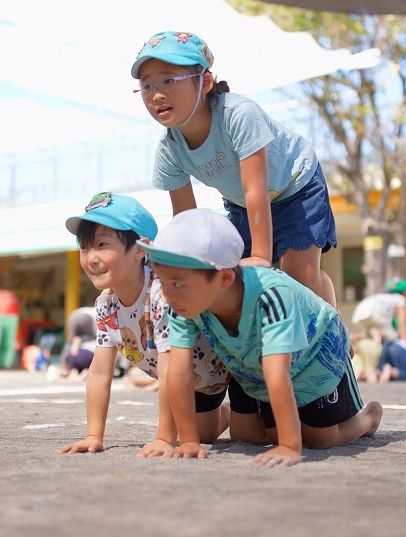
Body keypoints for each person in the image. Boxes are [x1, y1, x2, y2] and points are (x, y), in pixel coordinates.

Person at [138, 208, 382, 467]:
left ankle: (369, 417)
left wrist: (289, 447)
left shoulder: (271, 295)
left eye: (177, 283)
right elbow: (177, 372)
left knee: (320, 438)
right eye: (162, 282)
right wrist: (188, 440)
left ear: (224, 277)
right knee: (259, 436)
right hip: (257, 369)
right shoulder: (183, 304)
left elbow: (277, 371)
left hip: (318, 356)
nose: (167, 294)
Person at [132, 31, 339, 310]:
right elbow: (187, 220)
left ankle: (333, 319)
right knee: (226, 275)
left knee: (299, 276)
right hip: (243, 204)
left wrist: (262, 257)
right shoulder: (170, 149)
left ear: (204, 82)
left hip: (295, 186)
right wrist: (176, 262)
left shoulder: (239, 114)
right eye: (146, 86)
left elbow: (257, 189)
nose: (156, 95)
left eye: (169, 80)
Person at [58, 192, 230, 457]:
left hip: (220, 370)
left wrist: (164, 438)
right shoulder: (106, 305)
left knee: (246, 433)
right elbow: (100, 372)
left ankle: (245, 410)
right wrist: (93, 435)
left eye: (102, 244)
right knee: (206, 434)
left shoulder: (162, 293)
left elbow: (170, 368)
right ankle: (228, 414)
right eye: (84, 247)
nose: (91, 257)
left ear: (140, 249)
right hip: (191, 384)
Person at [351, 276, 406, 349]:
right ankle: (377, 334)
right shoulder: (399, 298)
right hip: (376, 313)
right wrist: (405, 341)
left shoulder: (381, 296)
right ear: (405, 293)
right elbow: (402, 320)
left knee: (369, 335)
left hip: (359, 313)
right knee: (393, 337)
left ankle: (354, 337)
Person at [57, 306, 97, 380]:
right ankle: (84, 371)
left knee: (72, 340)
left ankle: (65, 368)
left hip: (74, 316)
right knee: (89, 337)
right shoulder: (101, 311)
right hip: (87, 318)